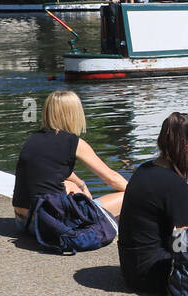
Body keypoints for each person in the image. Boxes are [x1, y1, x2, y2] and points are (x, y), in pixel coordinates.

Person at [118, 112, 188, 295]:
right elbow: (181, 239)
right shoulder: (175, 184)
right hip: (154, 275)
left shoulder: (143, 170)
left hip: (130, 269)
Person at [12, 91, 128, 230]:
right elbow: (112, 178)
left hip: (22, 222)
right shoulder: (74, 142)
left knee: (70, 186)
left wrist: (81, 184)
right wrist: (146, 193)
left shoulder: (33, 139)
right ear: (74, 114)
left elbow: (53, 170)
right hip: (48, 225)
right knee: (128, 195)